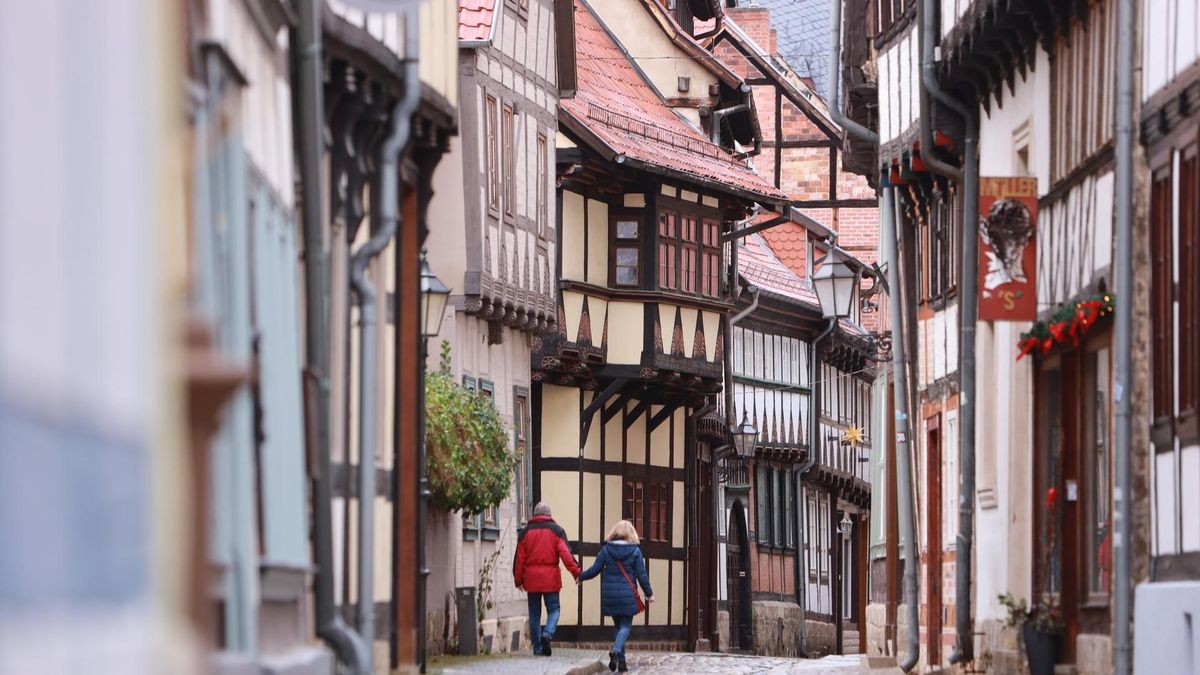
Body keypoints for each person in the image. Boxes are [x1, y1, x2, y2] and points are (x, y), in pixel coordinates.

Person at [577, 520, 654, 673]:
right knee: (625, 627)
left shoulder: (606, 550)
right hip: (627, 596)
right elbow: (641, 575)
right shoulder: (635, 552)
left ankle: (622, 664)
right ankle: (616, 651)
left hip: (610, 595)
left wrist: (581, 577)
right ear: (631, 534)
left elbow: (594, 569)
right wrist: (649, 593)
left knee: (618, 627)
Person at [514, 502, 581, 656]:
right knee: (554, 609)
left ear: (534, 514)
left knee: (534, 613)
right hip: (550, 579)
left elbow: (519, 559)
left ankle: (537, 647)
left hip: (531, 579)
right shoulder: (556, 530)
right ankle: (548, 634)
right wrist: (577, 573)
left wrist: (518, 580)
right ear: (549, 515)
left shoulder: (525, 532)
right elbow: (566, 555)